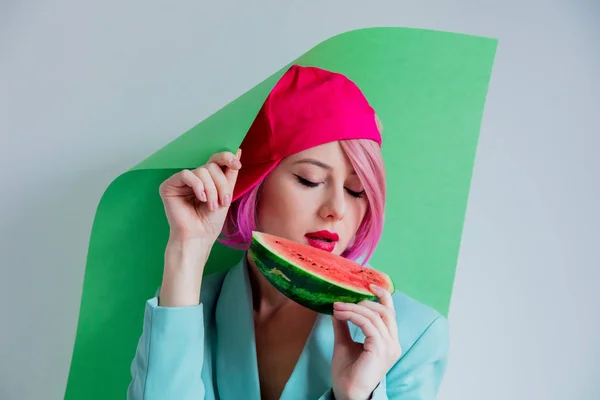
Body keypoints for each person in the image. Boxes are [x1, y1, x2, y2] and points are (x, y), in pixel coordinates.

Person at [127, 65, 450, 400]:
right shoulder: (187, 306)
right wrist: (187, 248)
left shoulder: (415, 336)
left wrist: (356, 396)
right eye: (310, 180)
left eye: (356, 191)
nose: (336, 208)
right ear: (256, 183)